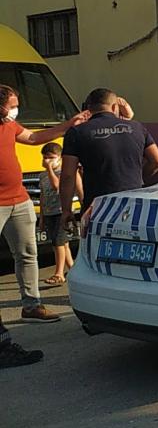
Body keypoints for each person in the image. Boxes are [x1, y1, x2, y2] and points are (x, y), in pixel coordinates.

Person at [0, 84, 89, 344]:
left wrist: (67, 126)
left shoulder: (10, 126)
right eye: (12, 105)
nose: (16, 110)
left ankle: (32, 305)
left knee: (27, 254)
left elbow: (34, 138)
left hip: (19, 200)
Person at [59, 89, 158, 226]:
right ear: (114, 107)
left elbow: (68, 175)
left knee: (96, 245)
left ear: (88, 108)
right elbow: (157, 161)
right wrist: (137, 179)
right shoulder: (137, 127)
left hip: (97, 205)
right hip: (133, 202)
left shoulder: (77, 132)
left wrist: (66, 210)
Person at [38, 142, 82, 288]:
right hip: (49, 213)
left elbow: (56, 186)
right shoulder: (42, 175)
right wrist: (42, 218)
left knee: (58, 244)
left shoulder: (62, 173)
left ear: (59, 158)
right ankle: (74, 270)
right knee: (63, 244)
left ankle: (59, 273)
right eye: (45, 158)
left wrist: (50, 168)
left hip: (60, 213)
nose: (47, 161)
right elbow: (43, 196)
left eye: (51, 158)